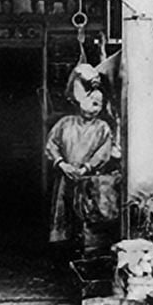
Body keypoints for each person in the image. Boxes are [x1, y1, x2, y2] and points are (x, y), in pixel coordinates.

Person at [45, 64, 114, 253]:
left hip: (89, 180)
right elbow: (51, 145)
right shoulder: (65, 123)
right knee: (62, 214)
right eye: (89, 102)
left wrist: (85, 169)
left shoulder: (102, 128)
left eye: (97, 105)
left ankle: (84, 251)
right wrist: (62, 164)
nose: (92, 109)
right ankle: (61, 253)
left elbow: (103, 152)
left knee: (86, 216)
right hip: (64, 178)